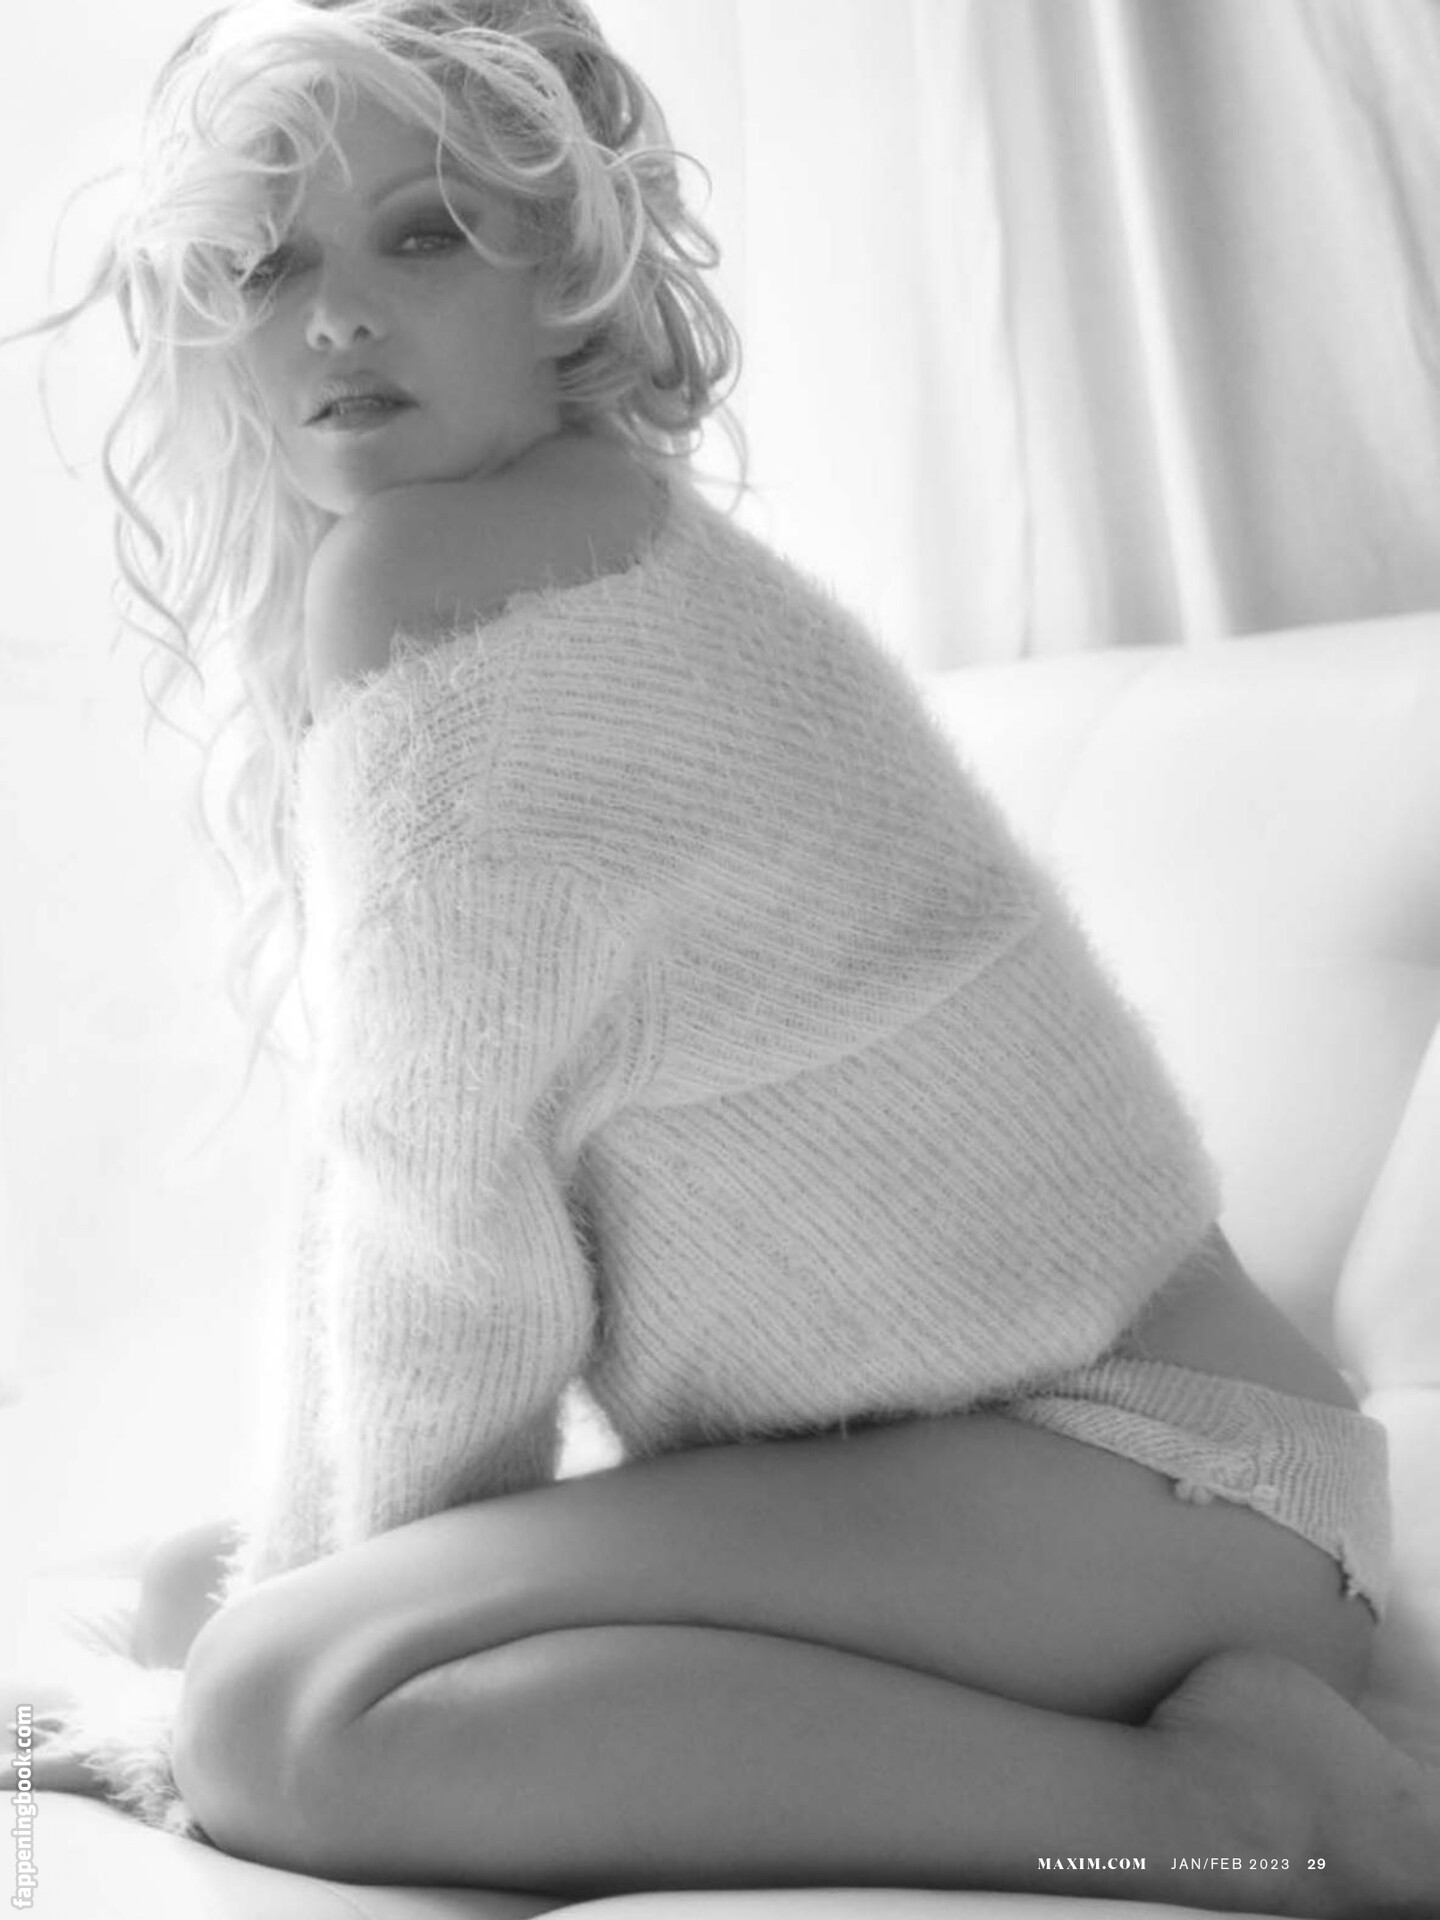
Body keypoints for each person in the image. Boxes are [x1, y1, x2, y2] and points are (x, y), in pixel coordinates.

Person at [5, 1, 1437, 1910]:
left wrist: (328, 1659)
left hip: (1156, 1484)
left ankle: (1241, 1815)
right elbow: (379, 1202)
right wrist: (326, 1591)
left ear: (566, 275)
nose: (333, 314)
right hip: (1127, 1487)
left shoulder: (448, 578)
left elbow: (443, 1237)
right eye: (267, 266)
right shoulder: (556, 537)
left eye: (422, 233)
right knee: (215, 1592)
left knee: (272, 1704)